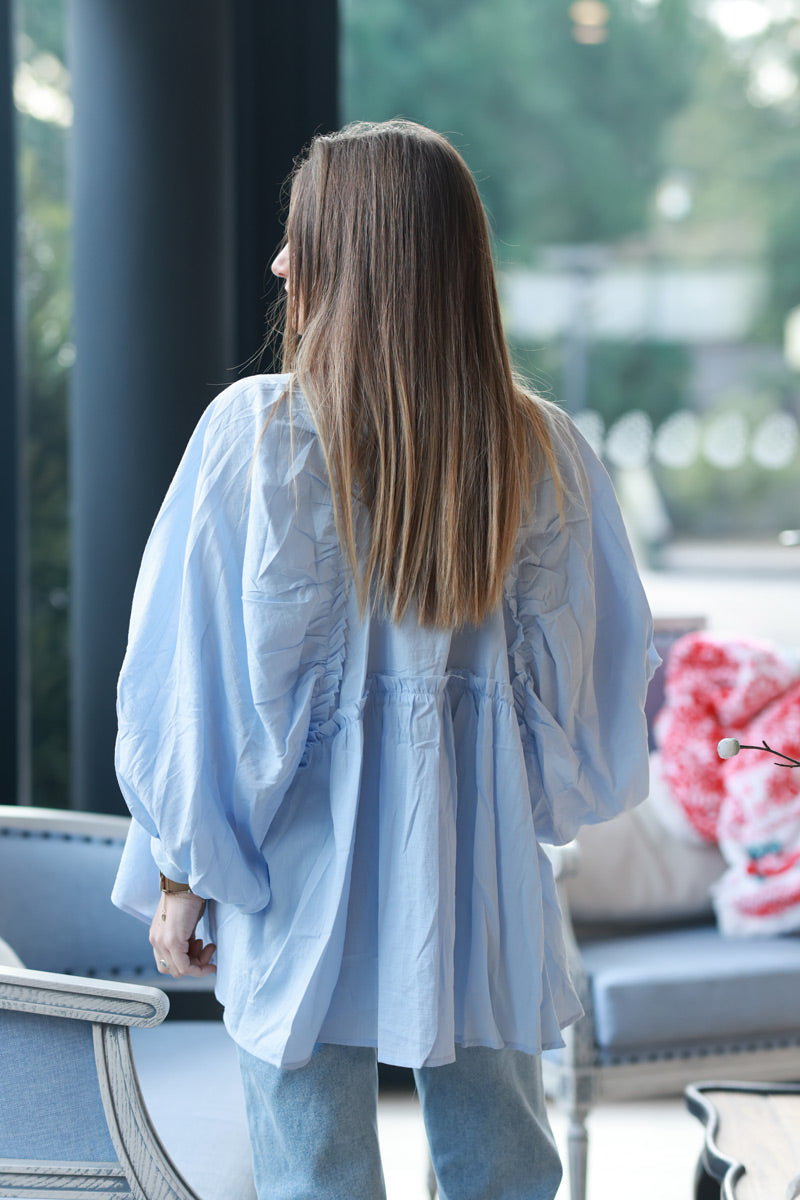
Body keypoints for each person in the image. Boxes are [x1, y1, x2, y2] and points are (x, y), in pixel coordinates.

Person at [112, 119, 658, 1200]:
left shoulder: (255, 438)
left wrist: (185, 870)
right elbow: (594, 696)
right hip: (480, 870)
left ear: (354, 259)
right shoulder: (544, 449)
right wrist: (502, 799)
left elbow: (192, 688)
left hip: (291, 878)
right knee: (503, 1168)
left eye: (299, 239)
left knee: (312, 1173)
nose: (278, 265)